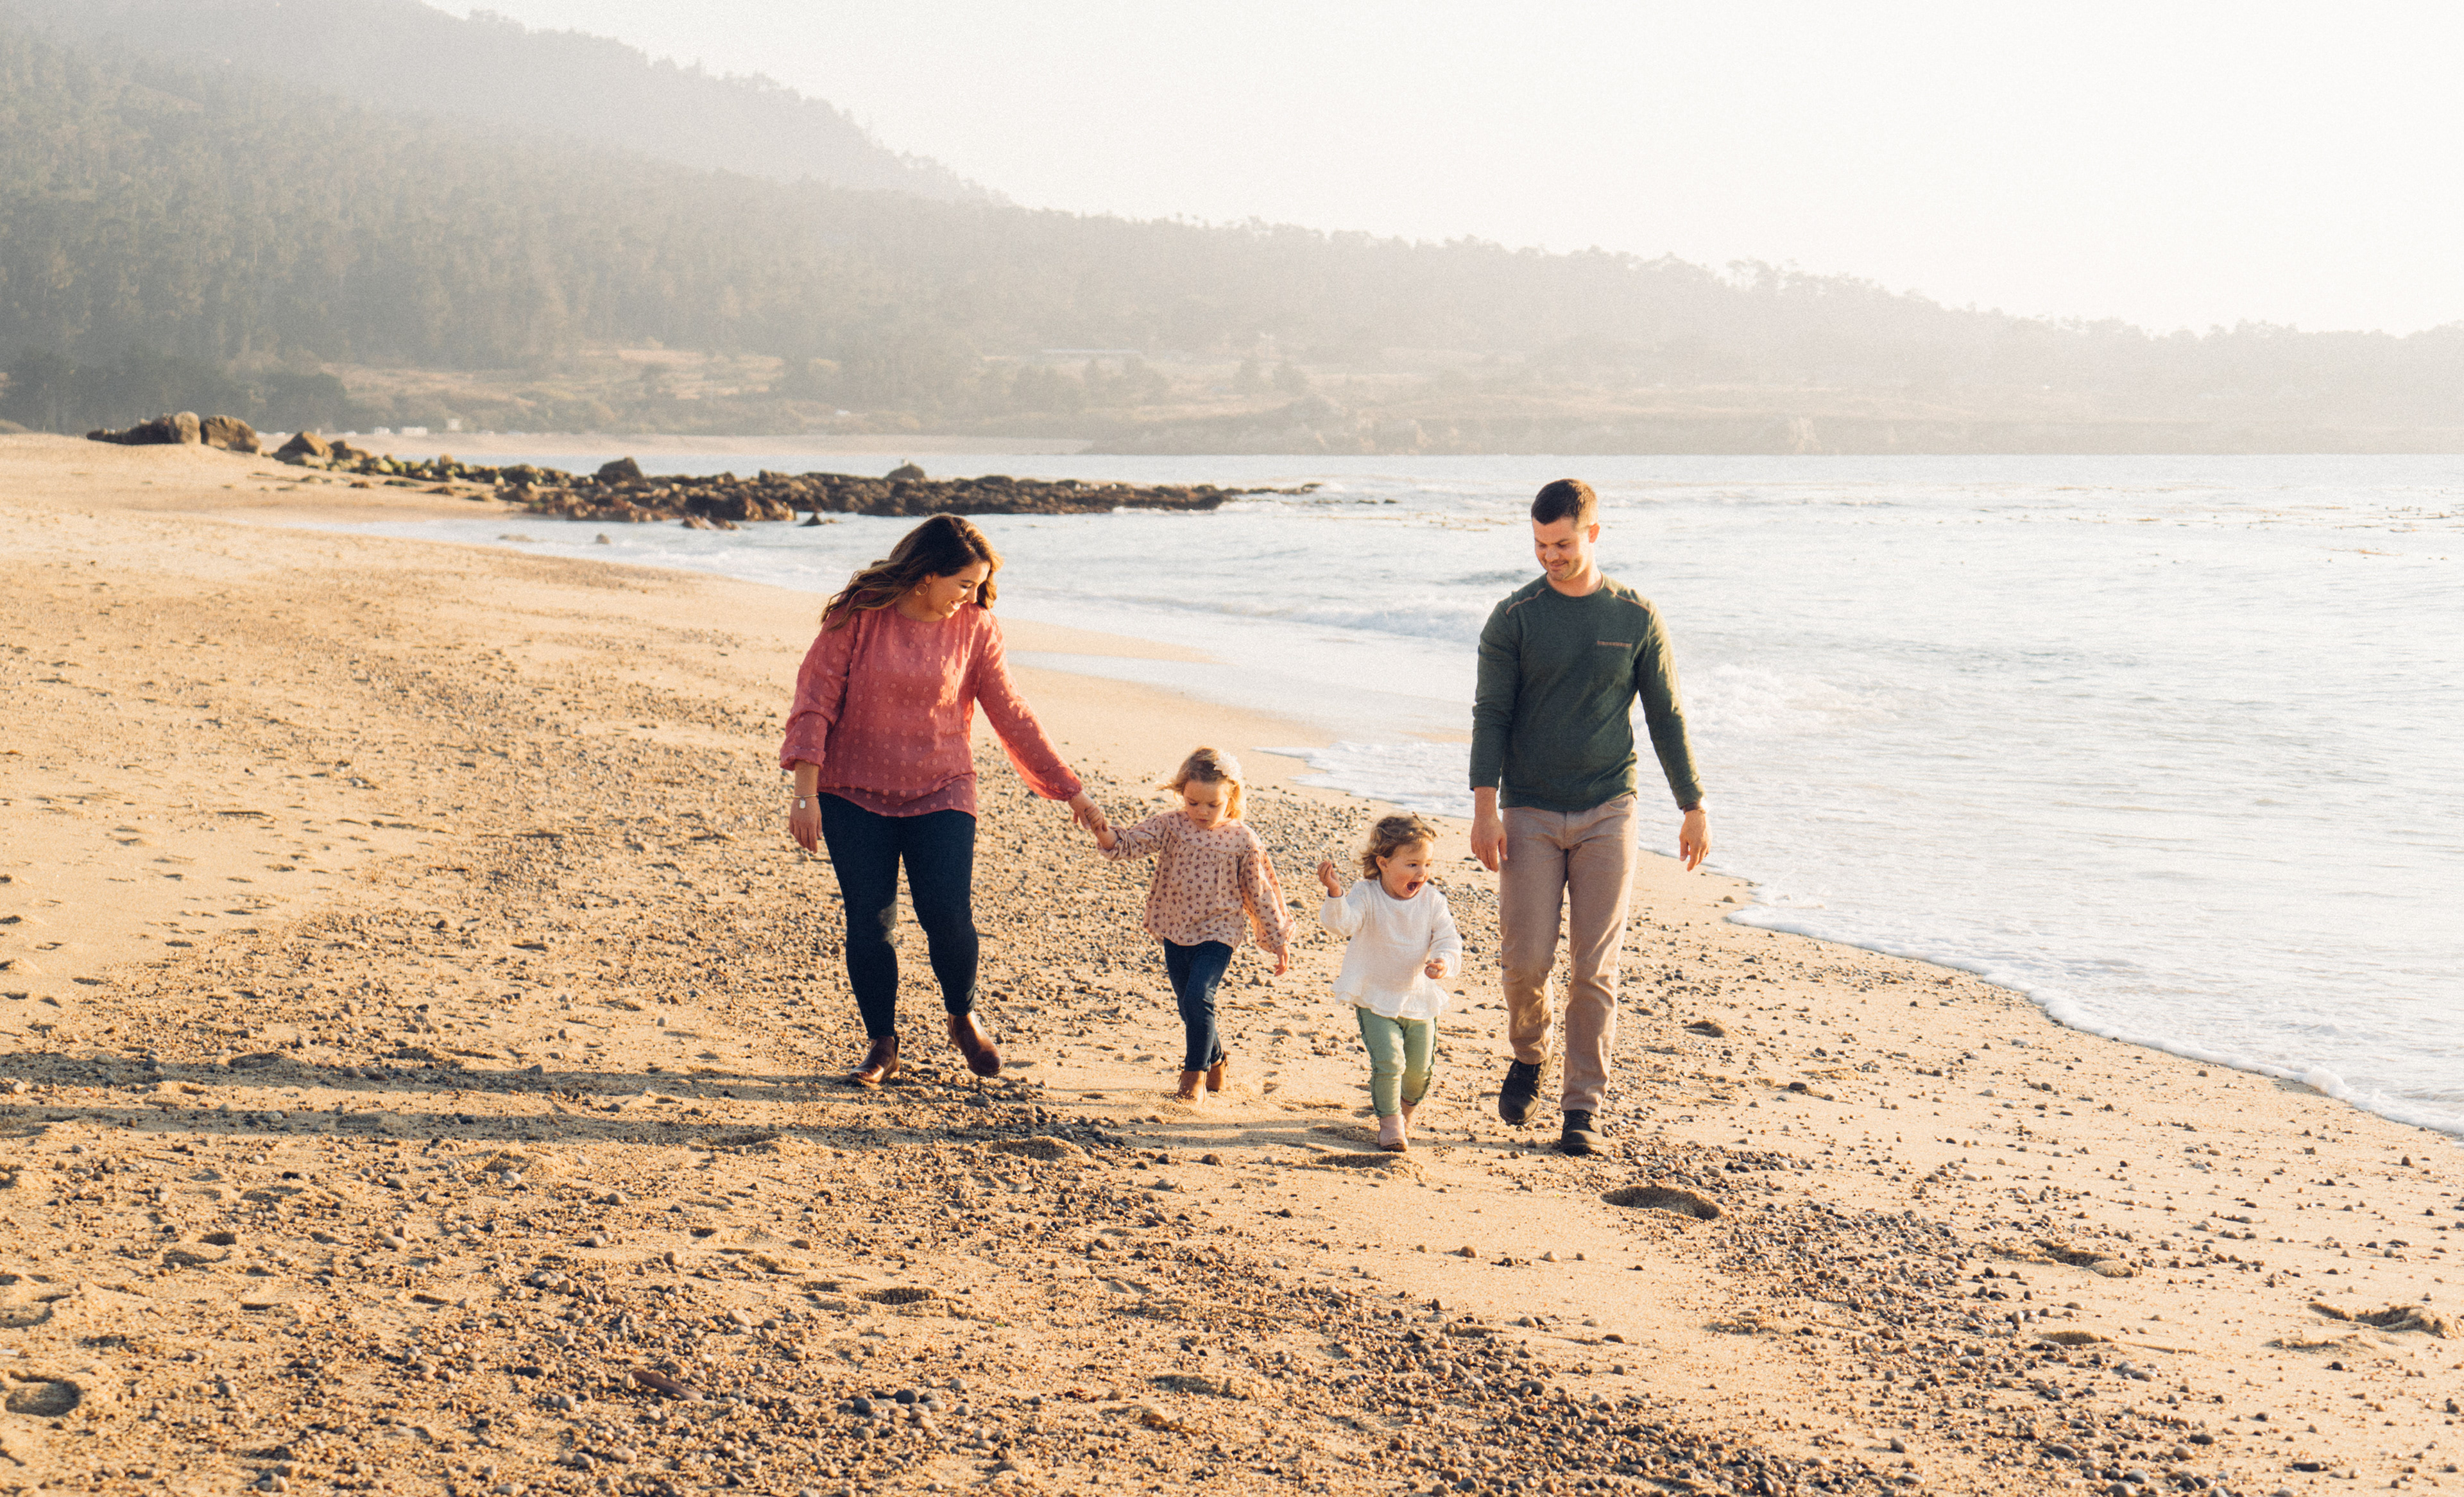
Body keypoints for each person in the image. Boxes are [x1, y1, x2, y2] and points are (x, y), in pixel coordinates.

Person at [781, 513, 1110, 1088]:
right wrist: (805, 793)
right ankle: (882, 1044)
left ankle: (962, 1015)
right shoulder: (859, 614)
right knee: (870, 921)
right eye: (964, 583)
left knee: (949, 915)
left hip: (942, 787)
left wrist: (1070, 790)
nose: (972, 595)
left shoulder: (977, 627)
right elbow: (815, 699)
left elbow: (1012, 714)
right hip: (852, 789)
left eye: (979, 585)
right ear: (927, 574)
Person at [1469, 477, 1709, 1156]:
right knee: (1525, 962)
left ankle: (1582, 1108)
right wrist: (1485, 807)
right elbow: (1492, 715)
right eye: (1540, 545)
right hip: (1529, 809)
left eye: (1563, 544)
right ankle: (1530, 1051)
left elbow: (1666, 716)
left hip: (1609, 807)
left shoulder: (1636, 616)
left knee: (1594, 968)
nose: (1551, 556)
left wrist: (1693, 804)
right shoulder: (1514, 617)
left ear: (1593, 534)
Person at [1092, 748, 1292, 1103]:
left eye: (1213, 805)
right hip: (1176, 926)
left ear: (1231, 798)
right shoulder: (1171, 825)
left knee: (1200, 996)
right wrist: (1102, 830)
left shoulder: (1242, 839)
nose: (1201, 812)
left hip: (1219, 932)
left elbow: (1260, 891)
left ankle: (1193, 1077)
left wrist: (1278, 939)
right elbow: (1130, 844)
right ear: (1182, 793)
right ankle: (1217, 1059)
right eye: (1193, 802)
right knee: (1188, 1005)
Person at [1315, 813, 1462, 1153]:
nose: (1421, 873)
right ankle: (1390, 1122)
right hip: (1375, 998)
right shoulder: (1366, 894)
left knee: (1419, 1072)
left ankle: (1406, 1111)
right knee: (1390, 1063)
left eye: (1427, 864)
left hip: (1419, 999)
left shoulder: (1432, 901)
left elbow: (1448, 939)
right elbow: (1343, 924)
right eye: (1412, 864)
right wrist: (1336, 893)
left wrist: (1443, 961)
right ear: (1383, 863)